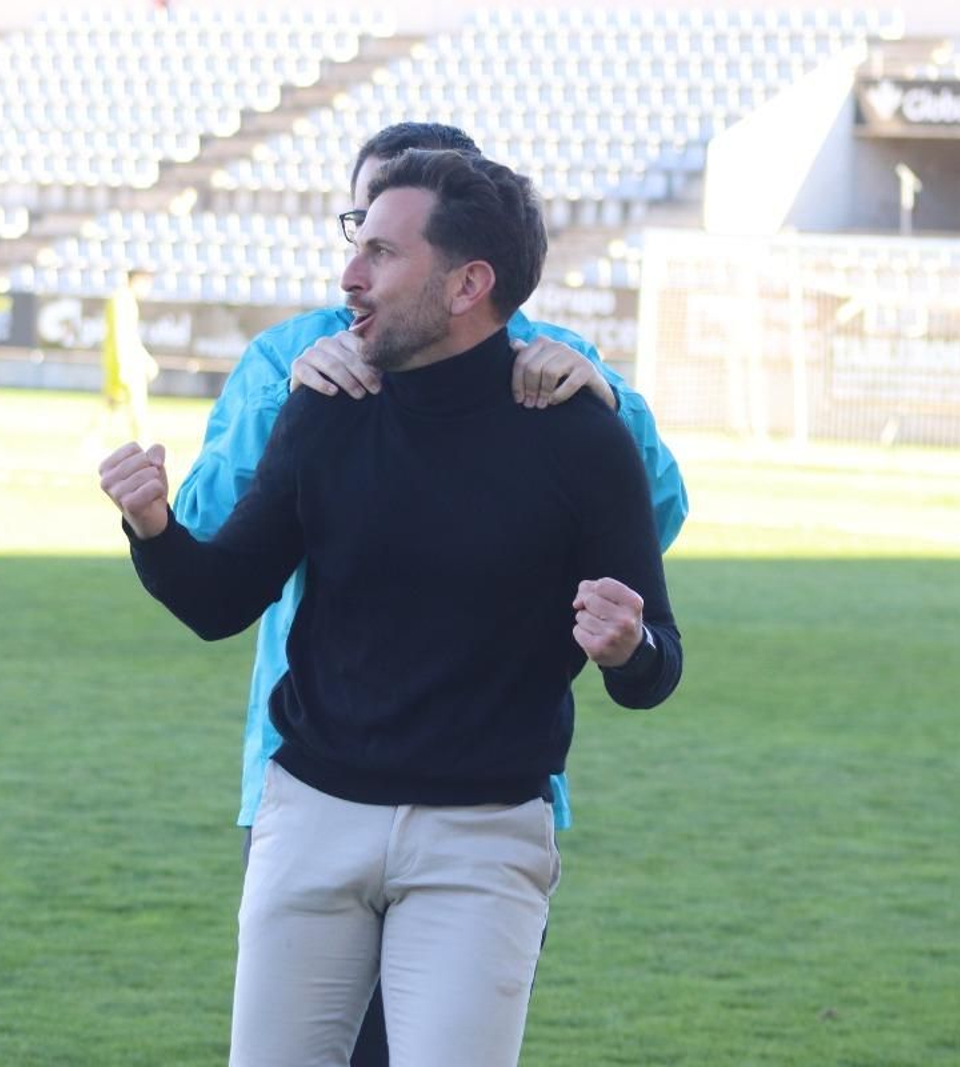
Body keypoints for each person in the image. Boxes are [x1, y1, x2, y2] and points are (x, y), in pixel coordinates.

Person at [101, 148, 683, 1066]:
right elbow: (220, 601)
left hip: (481, 843)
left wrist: (627, 648)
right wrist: (152, 525)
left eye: (380, 251)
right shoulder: (326, 406)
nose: (350, 275)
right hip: (311, 816)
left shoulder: (581, 433)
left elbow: (657, 663)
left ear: (467, 284)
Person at [100, 268, 159, 441]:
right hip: (126, 363)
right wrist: (123, 365)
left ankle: (92, 441)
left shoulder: (124, 299)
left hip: (123, 361)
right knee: (135, 406)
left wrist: (146, 360)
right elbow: (121, 335)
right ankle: (143, 442)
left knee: (111, 403)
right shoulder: (121, 299)